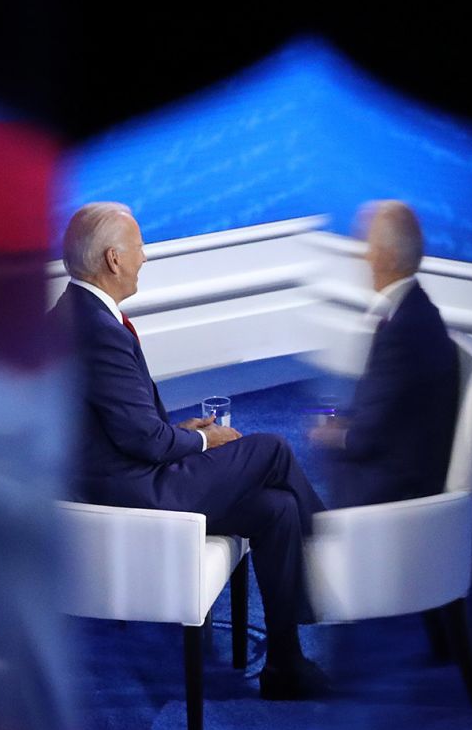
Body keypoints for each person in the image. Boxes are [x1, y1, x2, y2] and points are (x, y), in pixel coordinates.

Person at [53, 202, 330, 699]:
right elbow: (143, 441)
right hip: (133, 494)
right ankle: (337, 561)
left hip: (123, 472)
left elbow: (125, 425)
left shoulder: (78, 314)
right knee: (270, 449)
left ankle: (285, 665)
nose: (146, 257)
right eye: (139, 248)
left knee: (277, 507)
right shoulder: (97, 331)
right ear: (114, 259)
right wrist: (203, 439)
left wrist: (179, 430)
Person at [311, 201, 460, 508]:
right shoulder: (414, 310)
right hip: (404, 456)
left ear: (387, 258)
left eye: (370, 246)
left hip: (398, 485)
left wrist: (334, 435)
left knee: (297, 488)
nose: (364, 256)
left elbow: (365, 438)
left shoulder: (404, 330)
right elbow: (383, 407)